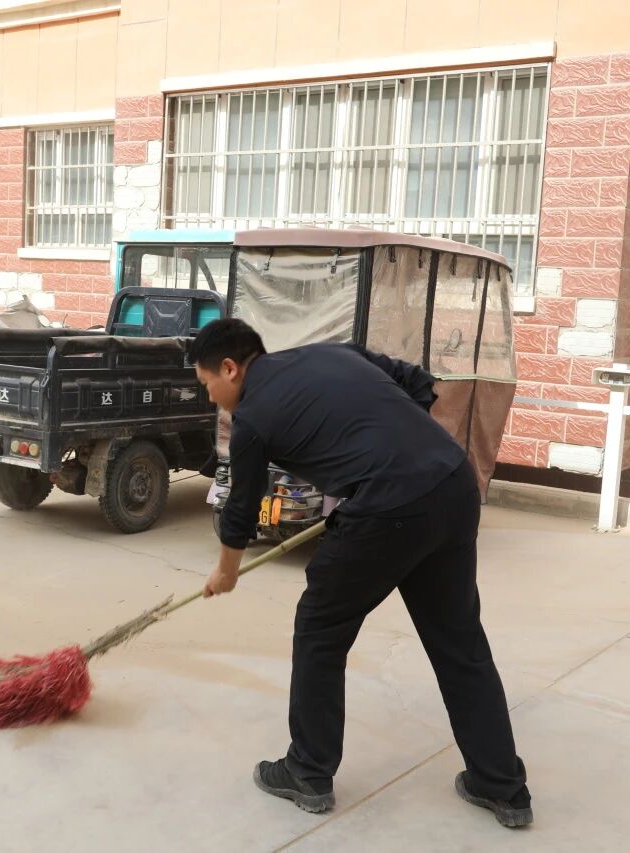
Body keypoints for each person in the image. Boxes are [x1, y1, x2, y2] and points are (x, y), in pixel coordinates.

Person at [192, 318, 532, 828]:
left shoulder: (252, 419)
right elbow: (419, 383)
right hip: (452, 484)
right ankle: (502, 786)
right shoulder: (334, 353)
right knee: (458, 641)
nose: (211, 397)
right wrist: (400, 457)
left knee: (319, 628)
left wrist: (226, 572)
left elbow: (240, 508)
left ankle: (307, 771)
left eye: (207, 385)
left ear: (229, 368)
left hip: (389, 509)